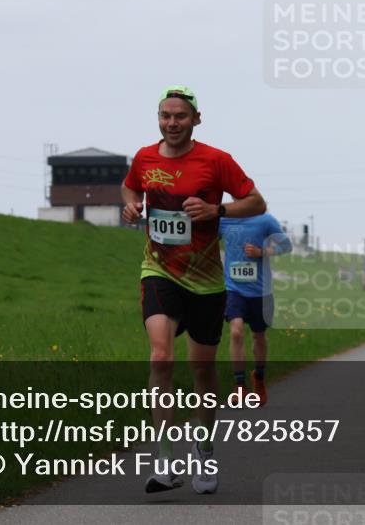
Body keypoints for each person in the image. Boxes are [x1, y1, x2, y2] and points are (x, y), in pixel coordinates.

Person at [122, 85, 266, 495]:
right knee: (161, 357)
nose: (172, 123)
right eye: (165, 116)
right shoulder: (145, 158)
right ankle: (165, 460)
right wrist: (132, 205)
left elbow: (255, 201)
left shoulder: (216, 161)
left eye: (180, 116)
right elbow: (130, 186)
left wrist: (216, 210)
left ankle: (203, 450)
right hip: (159, 271)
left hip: (205, 282)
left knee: (202, 371)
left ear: (195, 120)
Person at [219, 213, 292, 407]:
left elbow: (287, 246)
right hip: (233, 289)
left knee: (258, 336)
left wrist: (262, 252)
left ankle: (258, 378)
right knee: (236, 332)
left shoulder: (265, 220)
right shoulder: (223, 219)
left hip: (261, 291)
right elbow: (206, 241)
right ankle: (239, 385)